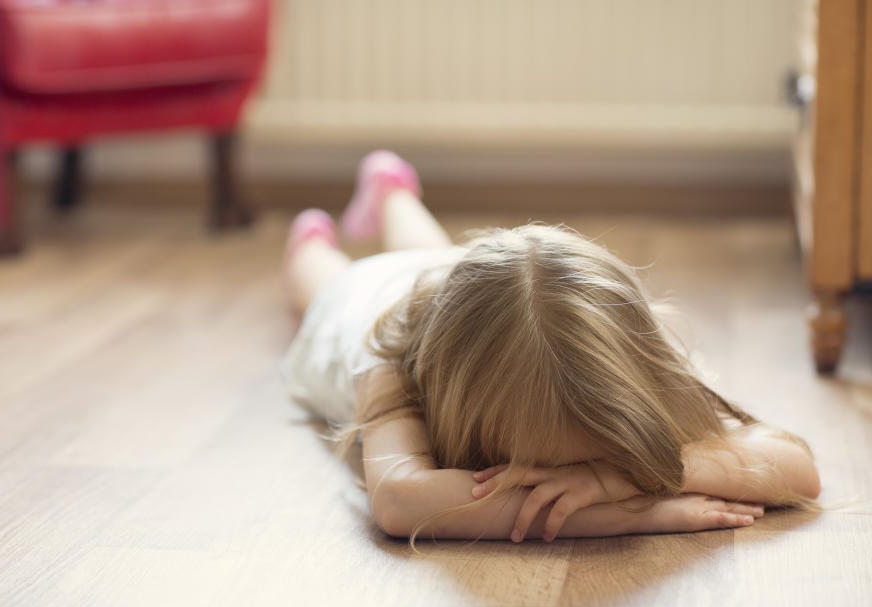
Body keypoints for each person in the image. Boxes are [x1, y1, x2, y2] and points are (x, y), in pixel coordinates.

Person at [281, 151, 821, 545]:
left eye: (595, 459)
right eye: (545, 476)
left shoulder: (623, 364)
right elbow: (399, 503)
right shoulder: (392, 372)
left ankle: (392, 189)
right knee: (326, 281)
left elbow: (798, 469)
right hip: (363, 306)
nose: (572, 485)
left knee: (435, 254)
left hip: (454, 286)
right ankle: (309, 241)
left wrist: (616, 478)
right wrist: (631, 512)